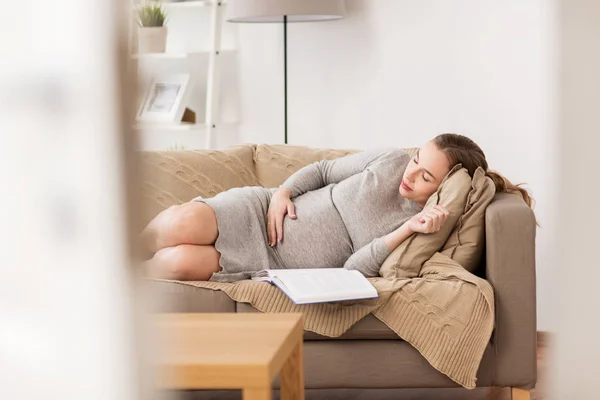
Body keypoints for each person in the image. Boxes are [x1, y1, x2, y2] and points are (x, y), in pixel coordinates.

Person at [141, 133, 532, 282]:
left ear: (446, 187)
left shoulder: (419, 225)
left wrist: (407, 230)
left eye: (426, 177)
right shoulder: (391, 160)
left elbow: (353, 271)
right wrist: (283, 192)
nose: (410, 175)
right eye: (417, 160)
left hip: (277, 266)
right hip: (259, 213)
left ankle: (114, 286)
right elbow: (325, 169)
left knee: (177, 264)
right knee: (183, 220)